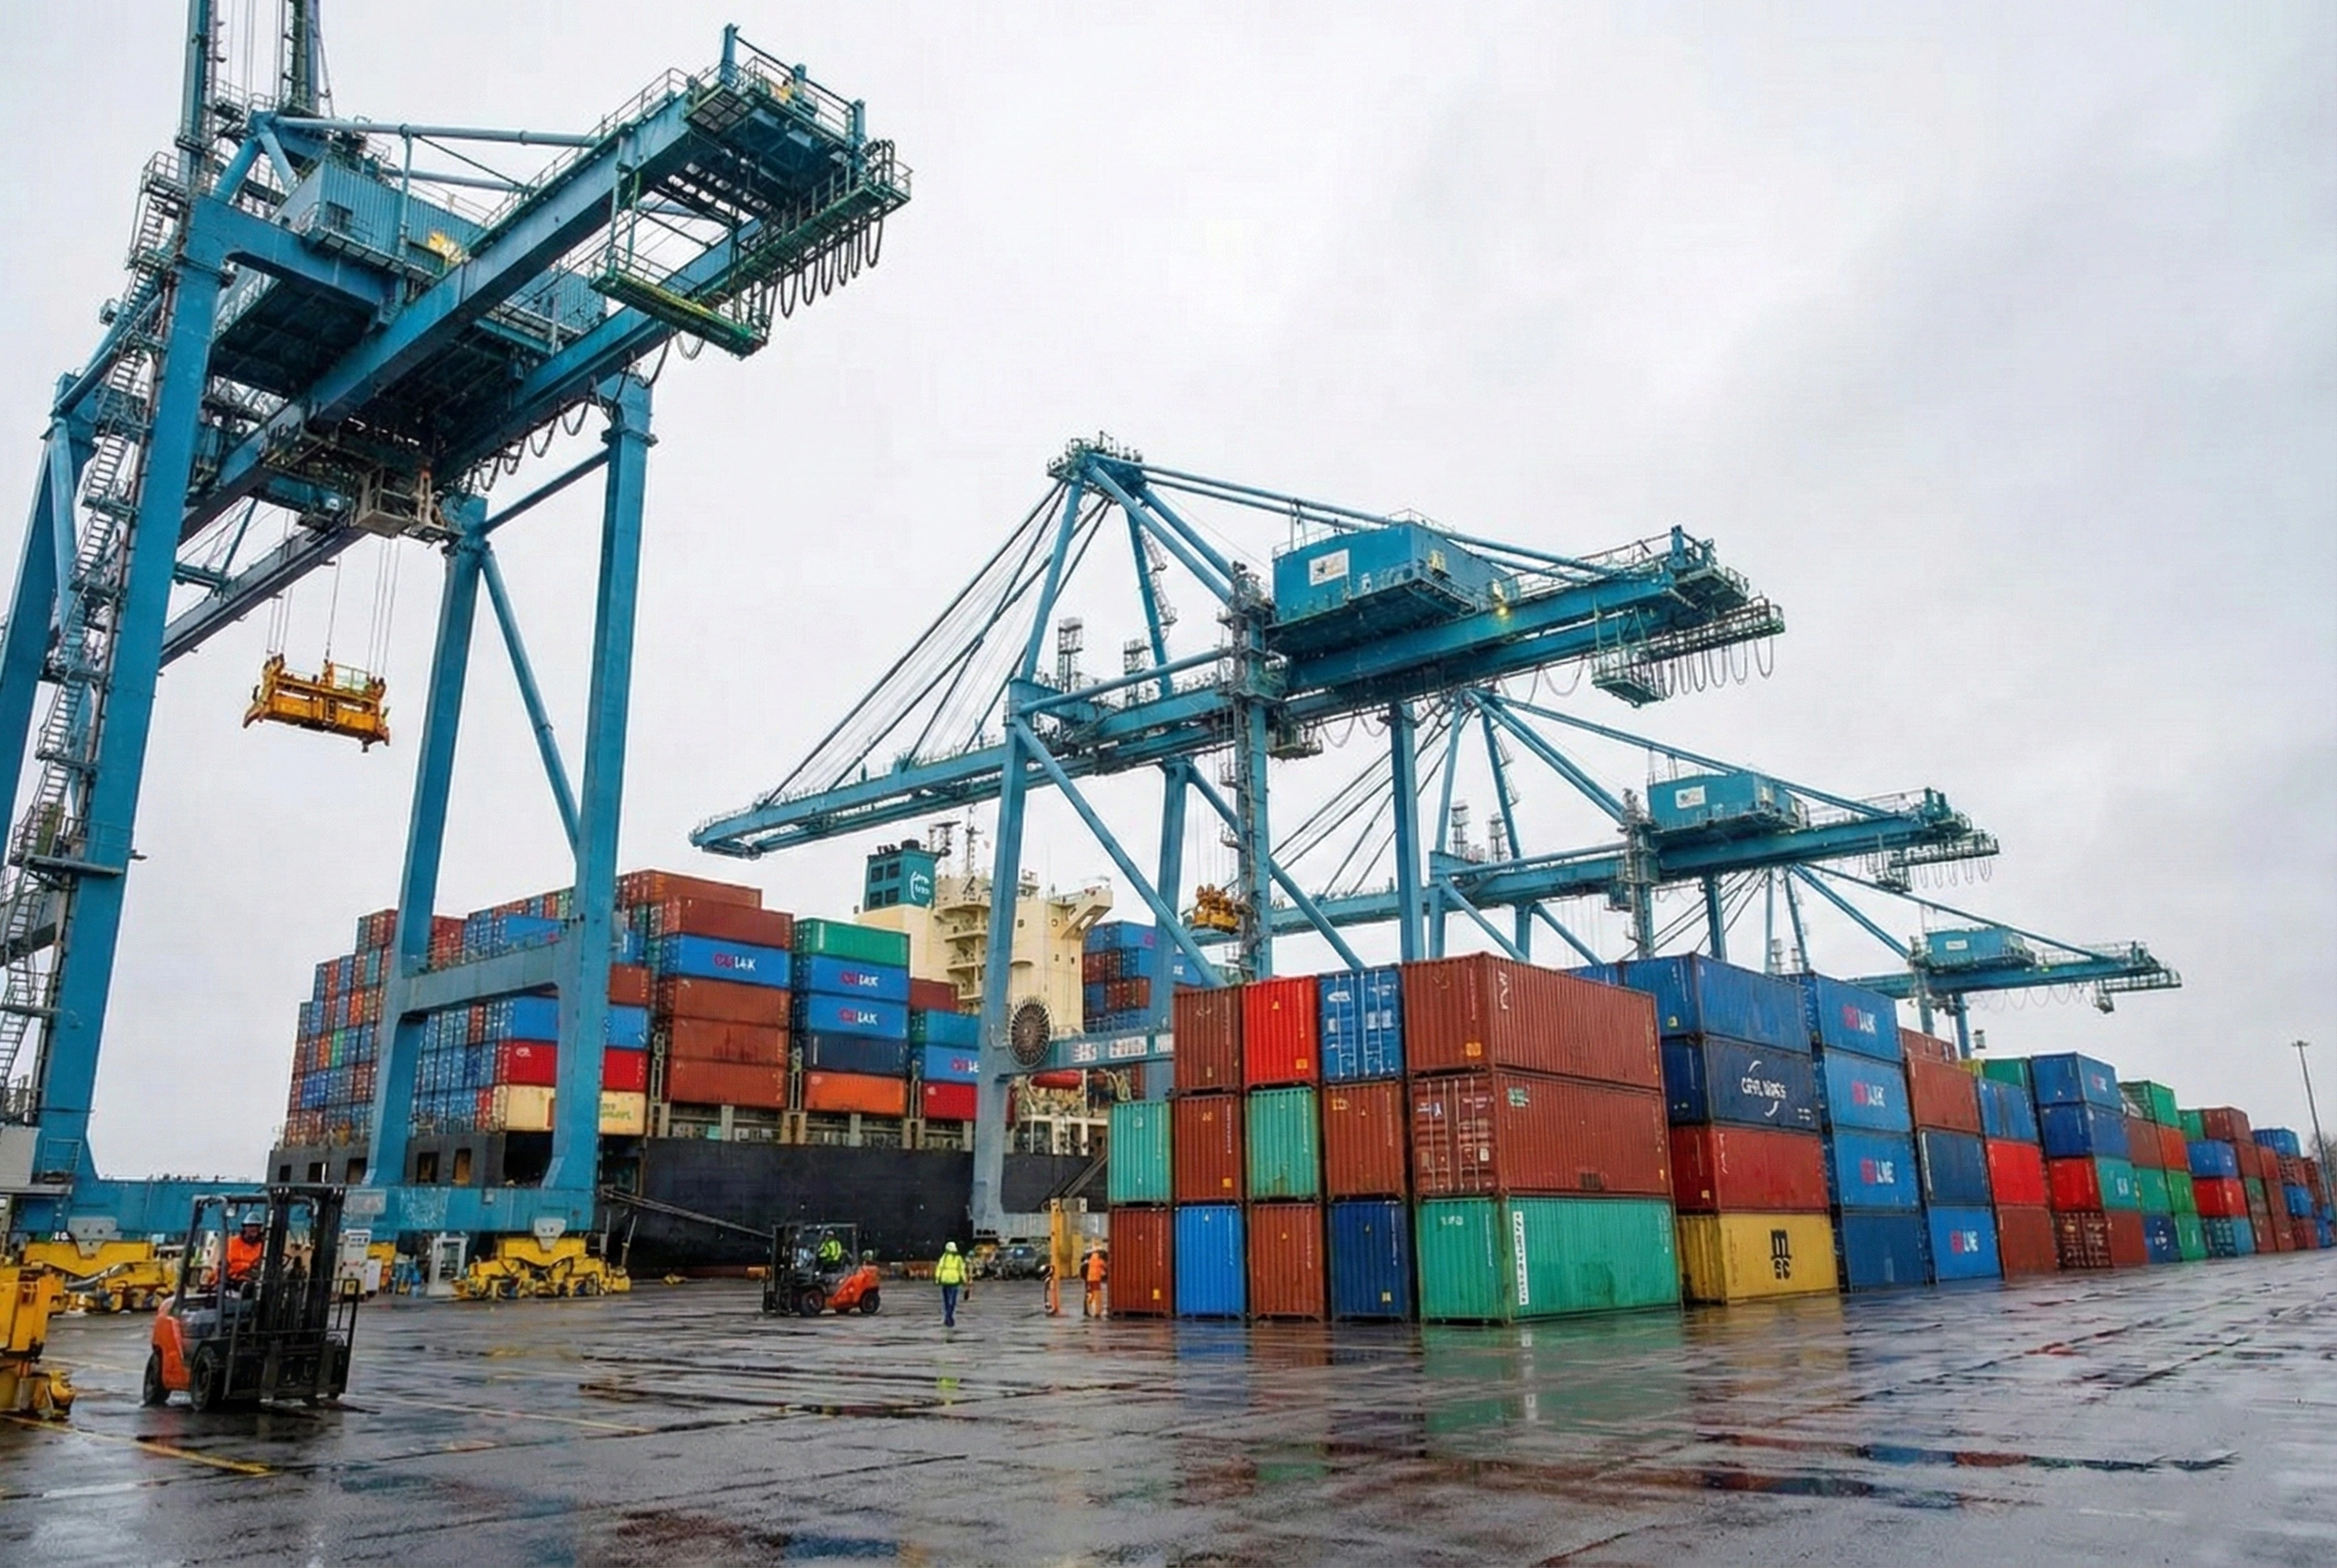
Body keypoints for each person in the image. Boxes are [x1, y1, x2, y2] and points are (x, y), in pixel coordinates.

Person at [934, 1241, 968, 1327]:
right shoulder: (958, 1258)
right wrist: (964, 1280)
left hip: (945, 1280)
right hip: (954, 1281)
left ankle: (947, 1318)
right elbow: (961, 1270)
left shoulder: (944, 1257)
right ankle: (949, 1317)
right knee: (952, 1301)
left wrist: (937, 1278)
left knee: (946, 1301)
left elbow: (939, 1268)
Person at [225, 1218, 265, 1287]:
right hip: (233, 1279)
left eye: (257, 1226)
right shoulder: (231, 1242)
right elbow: (223, 1264)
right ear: (244, 1227)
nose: (254, 1228)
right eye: (251, 1226)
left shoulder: (262, 1246)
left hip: (253, 1278)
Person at [1082, 1246, 1107, 1319]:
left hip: (1089, 1279)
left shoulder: (1090, 1260)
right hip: (1096, 1279)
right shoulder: (1099, 1260)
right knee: (1097, 1295)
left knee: (1091, 1293)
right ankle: (1097, 1311)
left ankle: (1088, 1304)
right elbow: (1105, 1266)